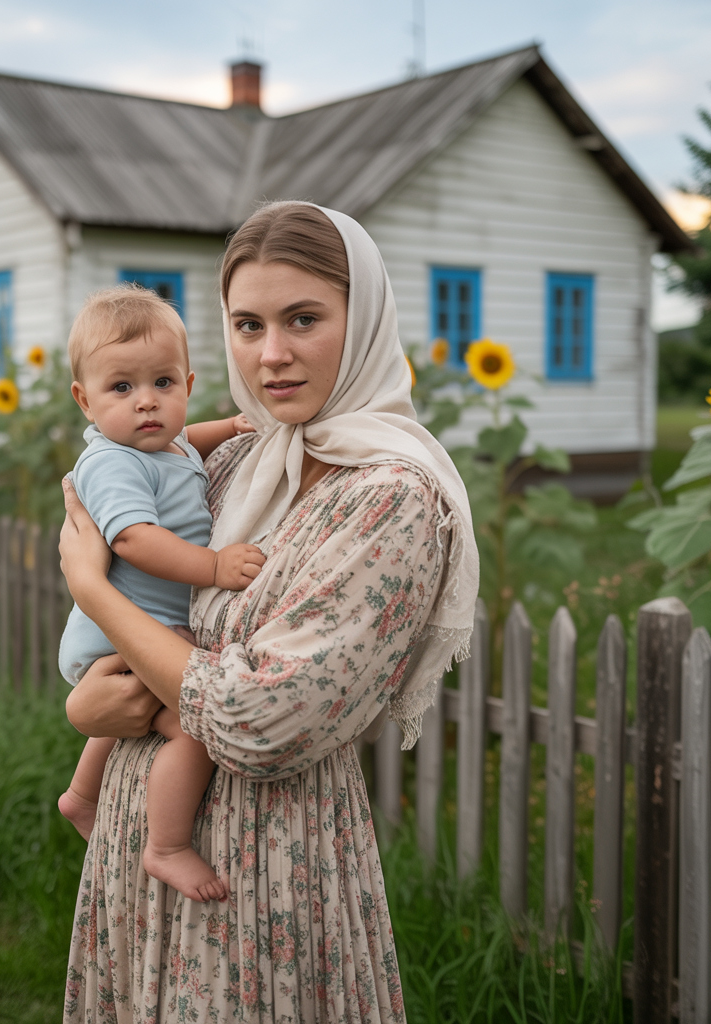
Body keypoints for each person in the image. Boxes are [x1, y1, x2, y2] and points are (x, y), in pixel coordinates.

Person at [58, 202, 480, 1022]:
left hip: (264, 874)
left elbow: (261, 720)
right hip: (135, 836)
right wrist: (89, 704)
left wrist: (93, 596)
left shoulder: (392, 499)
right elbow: (130, 561)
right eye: (247, 324)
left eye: (304, 319)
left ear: (365, 322)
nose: (272, 354)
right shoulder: (246, 460)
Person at [56, 285, 265, 903]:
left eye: (163, 384)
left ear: (188, 384)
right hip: (122, 632)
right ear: (84, 399)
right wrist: (214, 566)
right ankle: (166, 845)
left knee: (137, 715)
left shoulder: (158, 444)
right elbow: (135, 541)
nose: (147, 402)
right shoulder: (111, 464)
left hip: (134, 630)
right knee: (192, 728)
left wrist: (226, 427)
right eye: (122, 388)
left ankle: (80, 796)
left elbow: (184, 449)